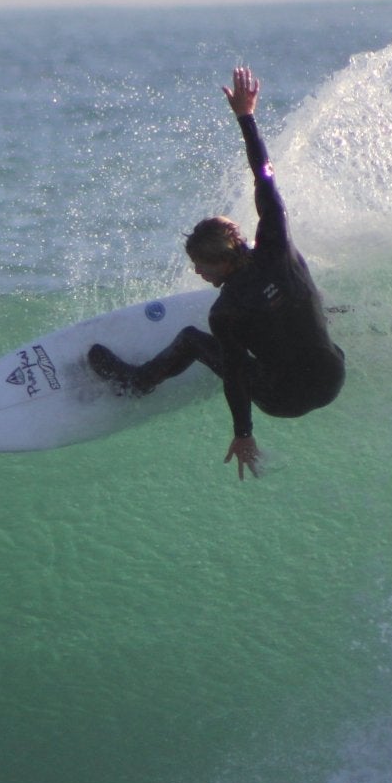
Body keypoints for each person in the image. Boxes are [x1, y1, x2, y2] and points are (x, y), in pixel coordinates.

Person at [87, 66, 345, 480]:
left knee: (193, 341)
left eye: (202, 266)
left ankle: (137, 383)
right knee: (303, 305)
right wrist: (246, 116)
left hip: (285, 401)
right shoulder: (278, 244)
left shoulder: (225, 311)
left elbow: (237, 378)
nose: (198, 273)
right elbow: (265, 178)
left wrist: (243, 433)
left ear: (221, 261)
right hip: (333, 378)